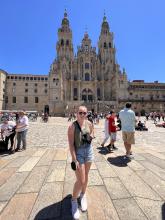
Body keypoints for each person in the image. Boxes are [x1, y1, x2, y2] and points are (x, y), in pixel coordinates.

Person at [68, 106, 94, 220]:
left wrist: (91, 136)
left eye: (84, 113)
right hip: (78, 153)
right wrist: (74, 159)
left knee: (86, 175)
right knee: (80, 180)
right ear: (76, 113)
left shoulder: (89, 123)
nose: (82, 114)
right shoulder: (72, 127)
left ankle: (83, 195)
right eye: (80, 113)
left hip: (89, 151)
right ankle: (73, 200)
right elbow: (71, 144)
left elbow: (93, 131)